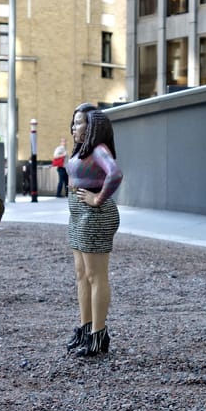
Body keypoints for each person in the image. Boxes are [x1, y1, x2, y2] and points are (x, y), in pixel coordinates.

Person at [64, 103, 124, 357]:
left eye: (79, 123)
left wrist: (97, 199)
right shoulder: (82, 150)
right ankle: (85, 329)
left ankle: (98, 336)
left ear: (93, 127)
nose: (74, 127)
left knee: (95, 275)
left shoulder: (99, 149)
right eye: (74, 122)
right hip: (79, 215)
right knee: (81, 274)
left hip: (95, 216)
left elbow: (115, 174)